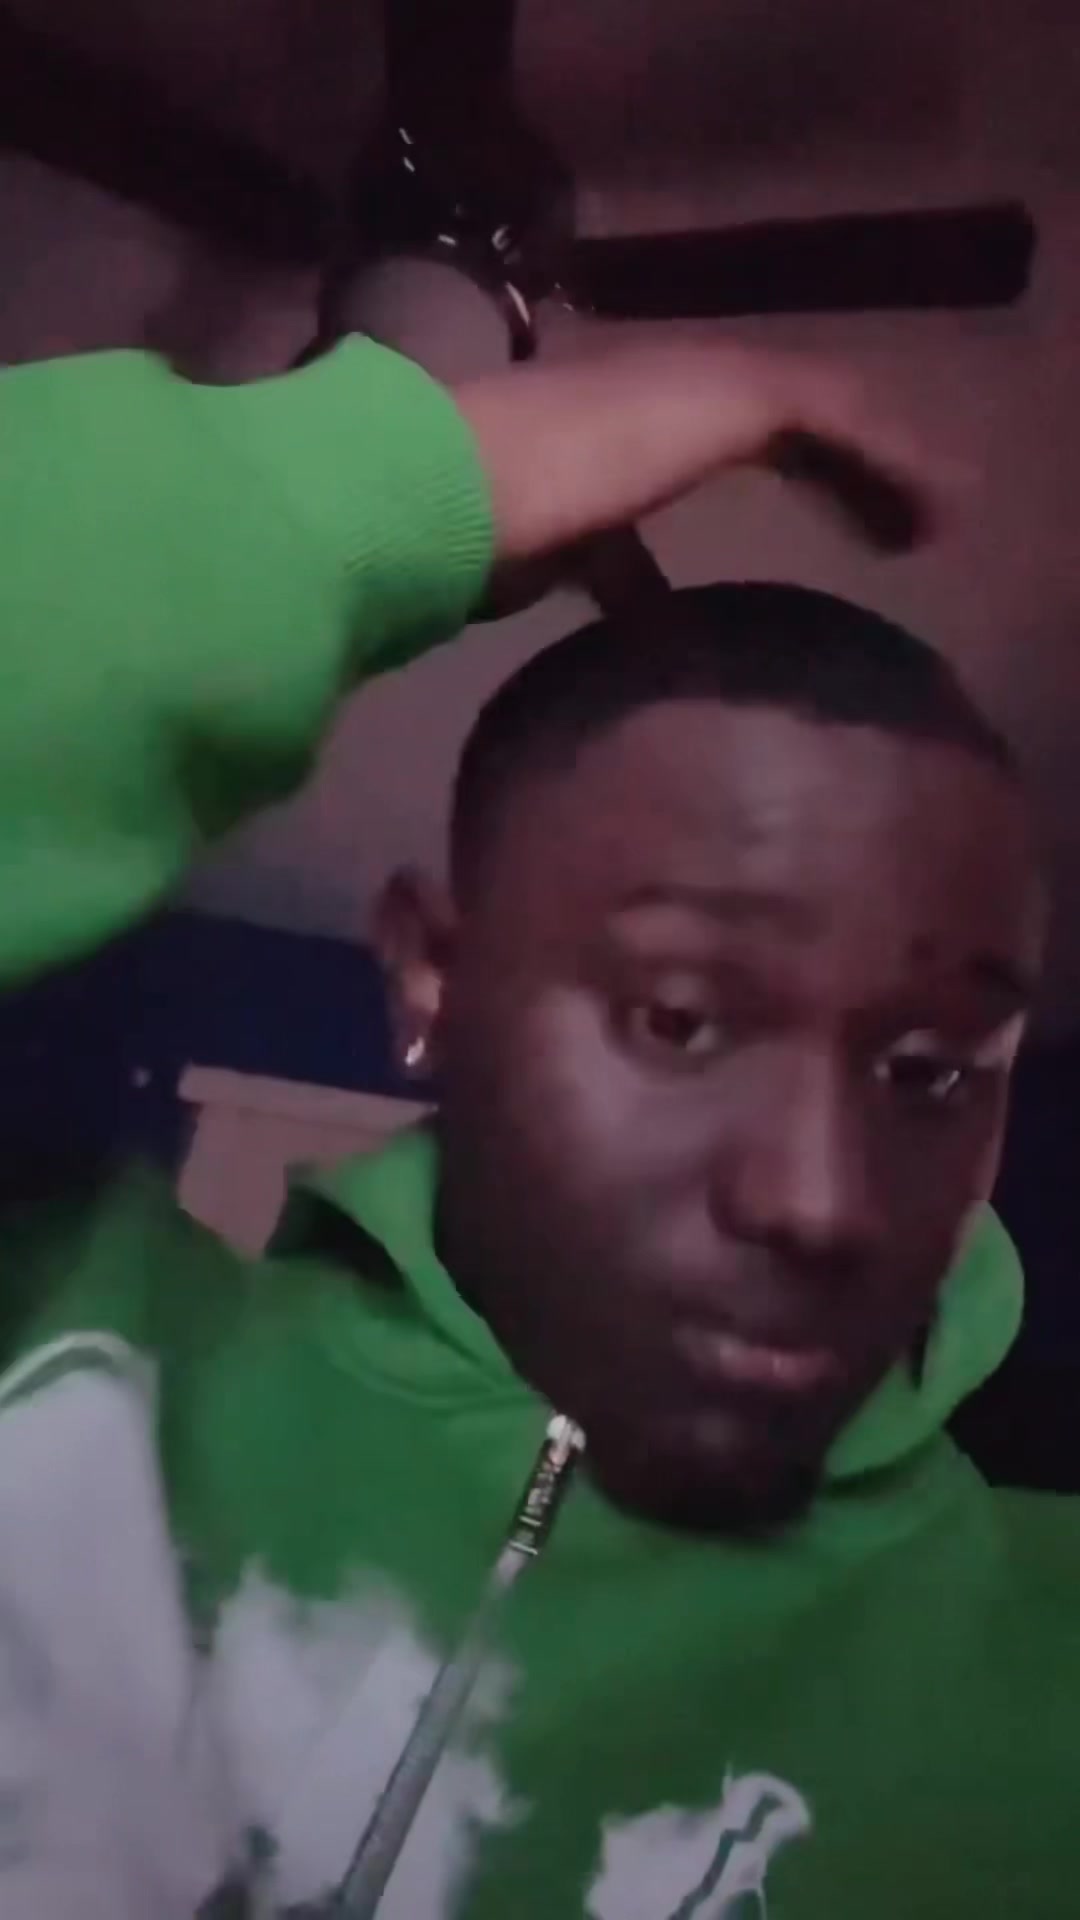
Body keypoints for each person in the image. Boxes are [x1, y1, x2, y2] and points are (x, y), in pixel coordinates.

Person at [0, 333, 1071, 1920]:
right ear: (432, 976)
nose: (822, 1201)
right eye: (679, 1020)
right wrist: (402, 488)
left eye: (929, 1070)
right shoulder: (69, 1359)